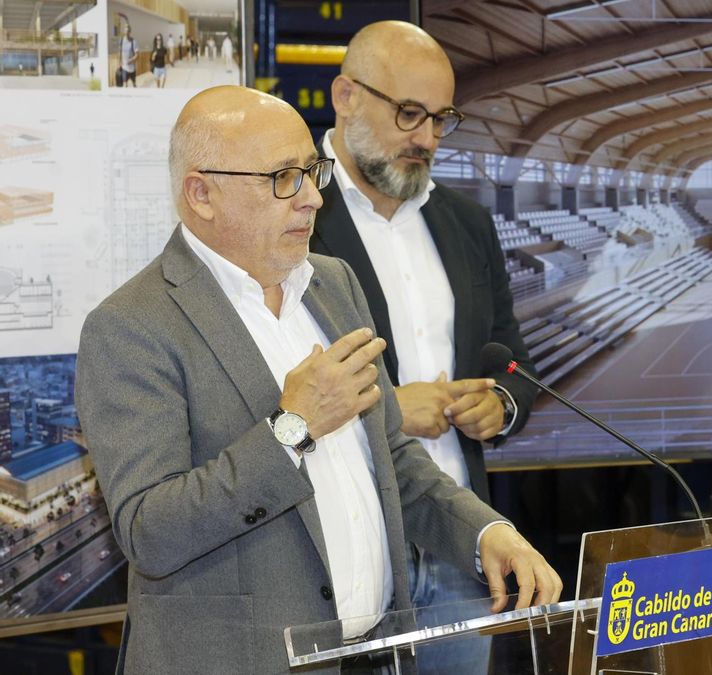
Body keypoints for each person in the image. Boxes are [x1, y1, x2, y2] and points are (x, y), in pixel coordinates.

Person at [75, 86, 561, 675]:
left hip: (374, 654)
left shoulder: (333, 284)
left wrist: (485, 531)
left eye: (312, 172)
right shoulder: (131, 326)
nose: (310, 199)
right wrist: (293, 427)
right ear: (201, 193)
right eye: (283, 177)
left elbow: (395, 461)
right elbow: (151, 533)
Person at [313, 22, 538, 671]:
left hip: (459, 545)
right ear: (346, 95)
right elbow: (259, 382)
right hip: (343, 548)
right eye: (410, 114)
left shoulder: (465, 222)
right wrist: (385, 405)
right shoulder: (294, 215)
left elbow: (514, 361)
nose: (428, 139)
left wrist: (500, 403)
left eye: (442, 119)